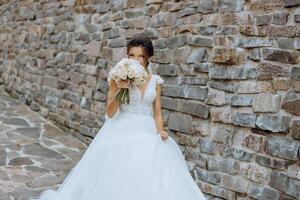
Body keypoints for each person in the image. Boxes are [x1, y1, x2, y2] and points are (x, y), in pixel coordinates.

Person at [32, 33, 207, 200]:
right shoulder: (117, 76)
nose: (136, 60)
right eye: (132, 55)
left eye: (141, 56)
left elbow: (157, 112)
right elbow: (110, 112)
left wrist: (160, 130)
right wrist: (121, 89)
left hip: (147, 129)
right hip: (122, 127)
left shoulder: (156, 81)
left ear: (148, 58)